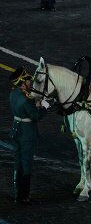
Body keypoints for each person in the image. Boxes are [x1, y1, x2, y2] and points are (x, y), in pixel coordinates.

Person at [8, 67, 50, 204]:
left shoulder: (13, 94)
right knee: (26, 163)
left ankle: (16, 192)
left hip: (16, 130)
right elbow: (35, 116)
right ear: (22, 83)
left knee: (17, 162)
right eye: (27, 81)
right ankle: (24, 196)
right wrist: (44, 107)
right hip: (26, 134)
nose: (29, 83)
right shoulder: (26, 99)